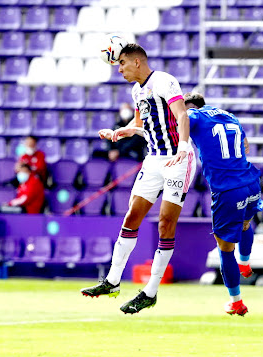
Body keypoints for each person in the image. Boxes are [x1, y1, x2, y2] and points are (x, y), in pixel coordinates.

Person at [80, 43, 196, 315]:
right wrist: (121, 132)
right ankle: (112, 280)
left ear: (136, 62)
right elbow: (139, 126)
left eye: (121, 63)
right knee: (132, 215)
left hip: (177, 160)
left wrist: (183, 145)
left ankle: (150, 292)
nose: (118, 69)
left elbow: (182, 115)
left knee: (166, 223)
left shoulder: (165, 81)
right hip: (154, 159)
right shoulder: (137, 90)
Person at [179, 92, 263, 316]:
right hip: (251, 181)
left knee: (225, 249)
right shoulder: (229, 116)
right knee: (245, 224)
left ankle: (236, 302)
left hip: (227, 188)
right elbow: (245, 146)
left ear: (190, 106)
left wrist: (181, 144)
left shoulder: (193, 114)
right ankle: (244, 264)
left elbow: (184, 119)